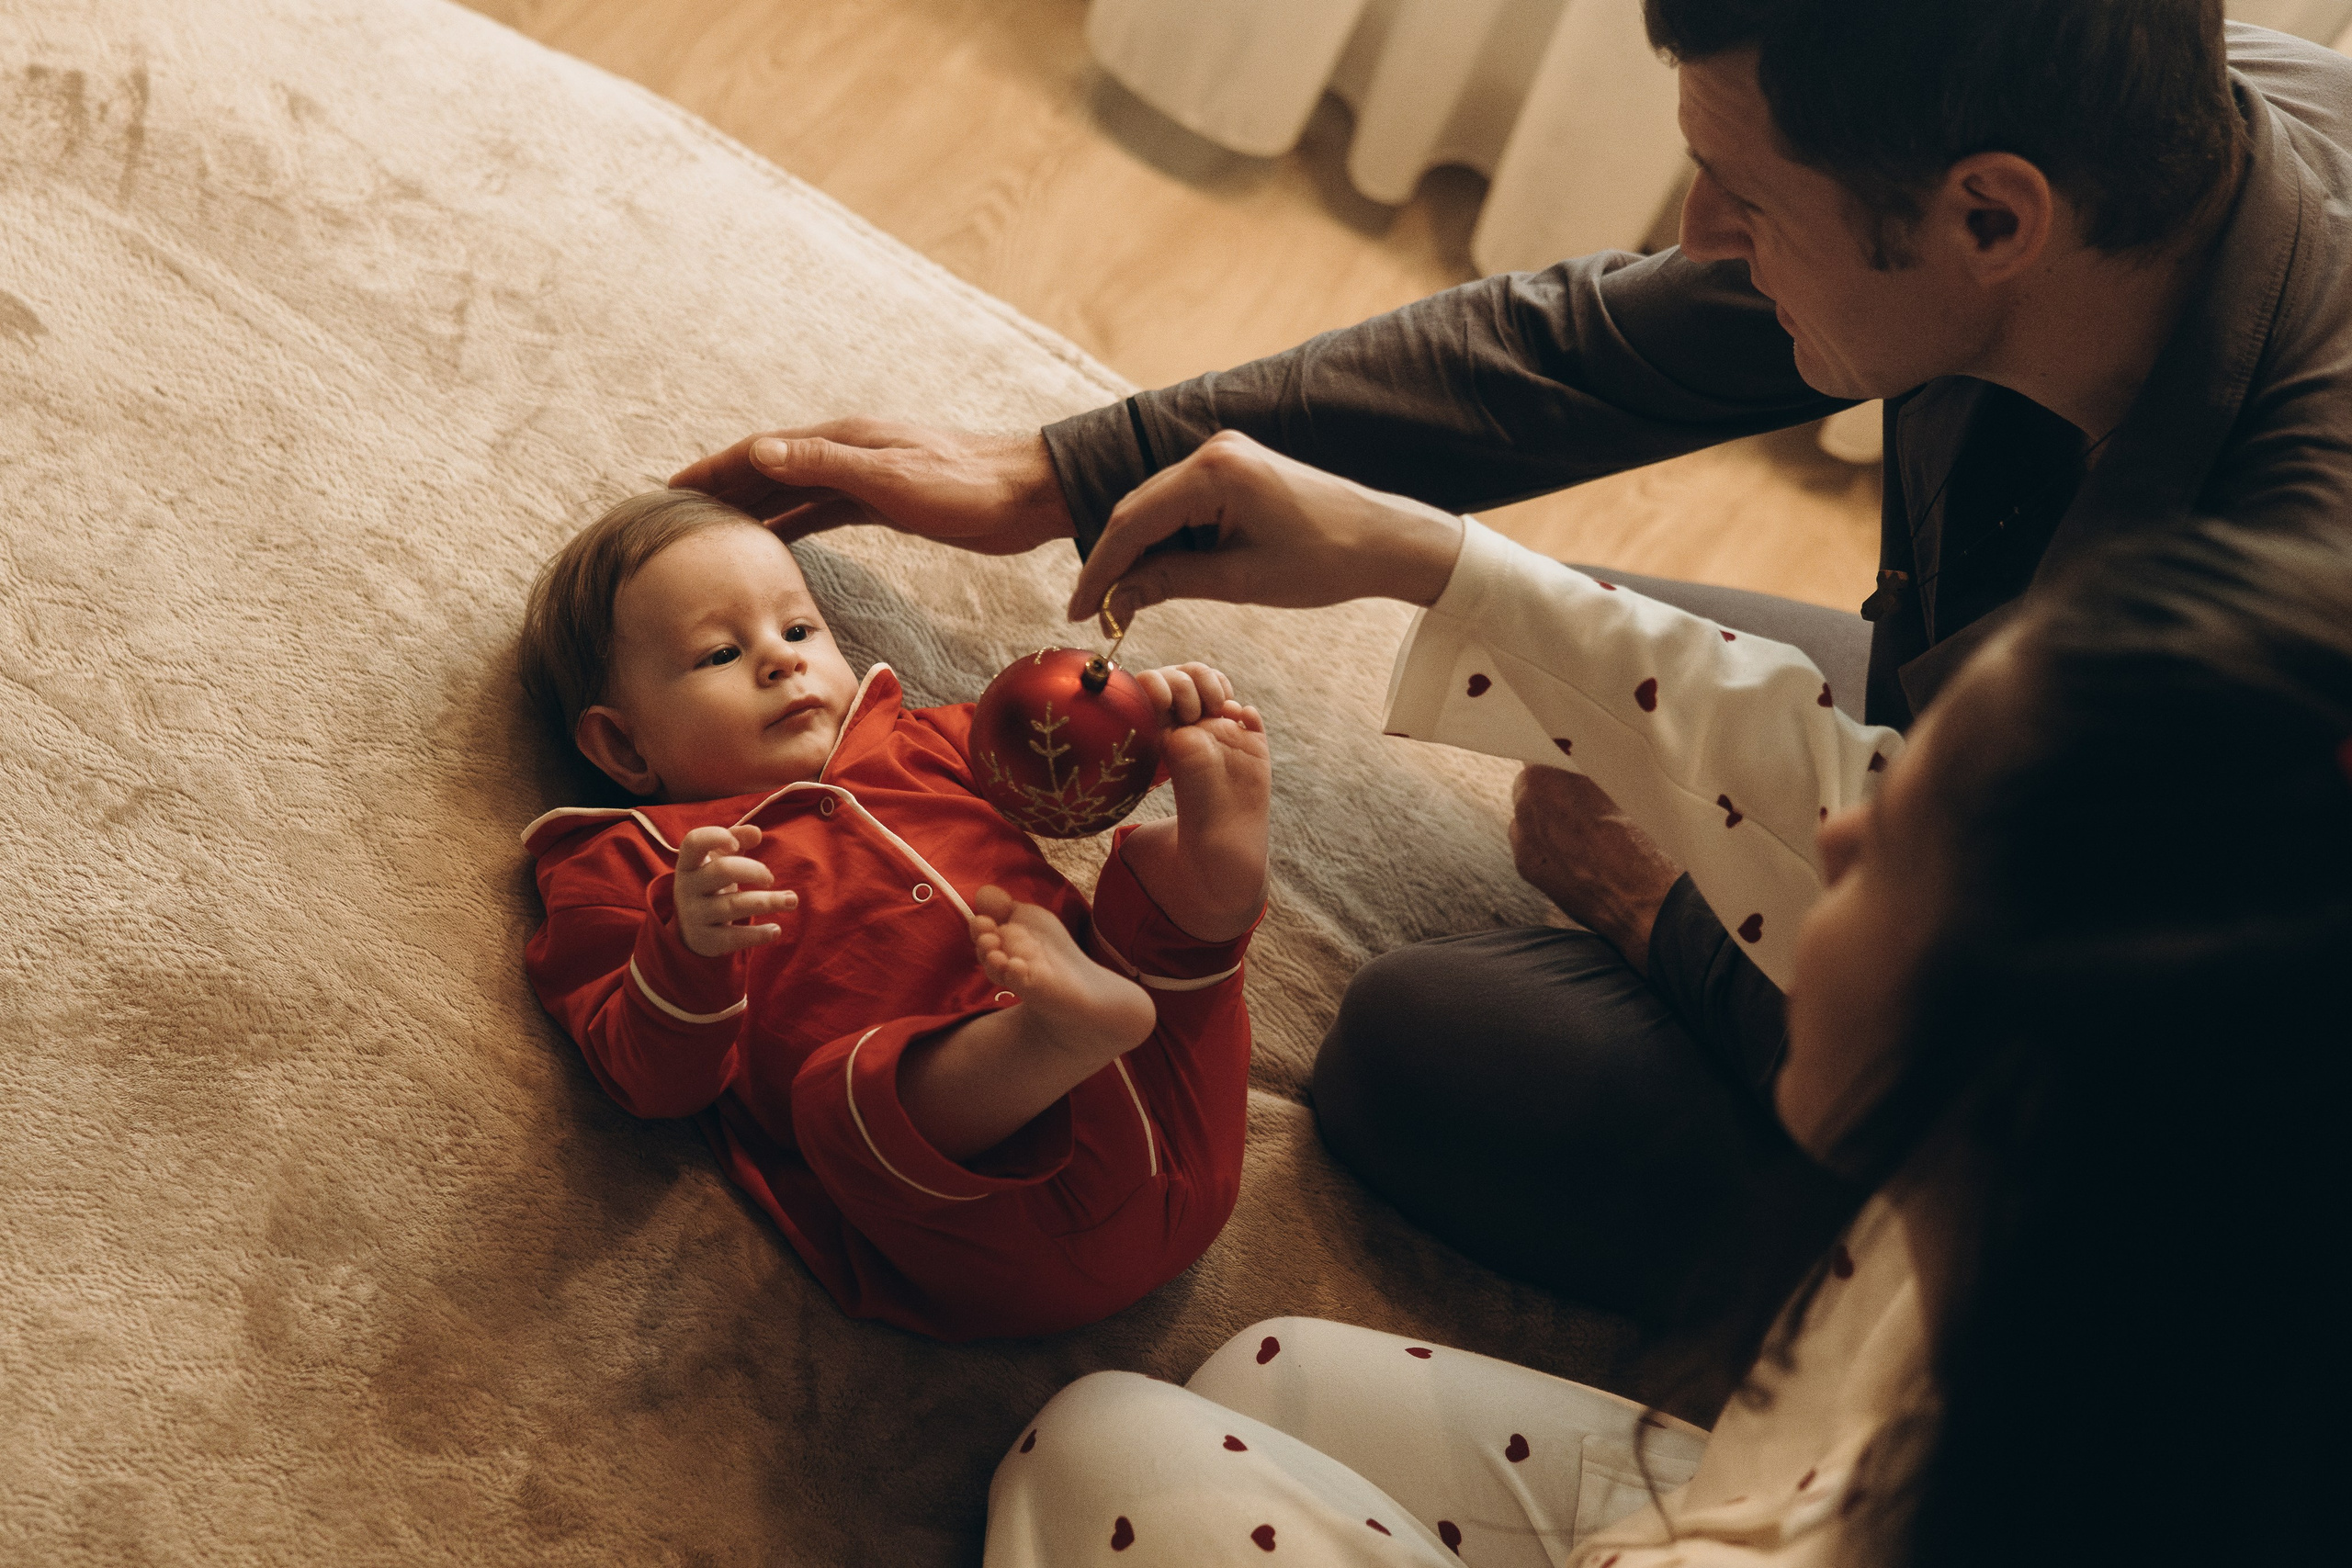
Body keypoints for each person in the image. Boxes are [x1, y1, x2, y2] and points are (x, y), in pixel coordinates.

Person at [666, 2, 2352, 1322]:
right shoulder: (2161, 120)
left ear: (1990, 216)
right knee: (1557, 660)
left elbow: (2042, 1070)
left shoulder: (2285, 619)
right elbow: (1599, 344)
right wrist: (1067, 467)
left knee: (1428, 1048)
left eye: (1748, 194)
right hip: (1986, 754)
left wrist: (1658, 904)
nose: (1697, 231)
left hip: (2138, 1129)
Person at [980, 516, 2351, 1565]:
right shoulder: (2119, 1184)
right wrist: (1418, 551)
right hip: (1773, 1479)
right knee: (1269, 1374)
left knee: (1097, 1447)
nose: (1833, 836)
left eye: (1896, 841)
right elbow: (1769, 745)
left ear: (2028, 1018)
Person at [514, 490, 1272, 1341]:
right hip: (990, 1221)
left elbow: (1051, 776)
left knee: (1151, 904)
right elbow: (647, 1081)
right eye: (721, 652)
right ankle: (1051, 1033)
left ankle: (1217, 847)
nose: (781, 660)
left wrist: (1129, 725)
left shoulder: (921, 739)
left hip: (1168, 1101)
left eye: (799, 629)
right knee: (840, 1094)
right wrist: (687, 946)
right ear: (624, 747)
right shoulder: (621, 865)